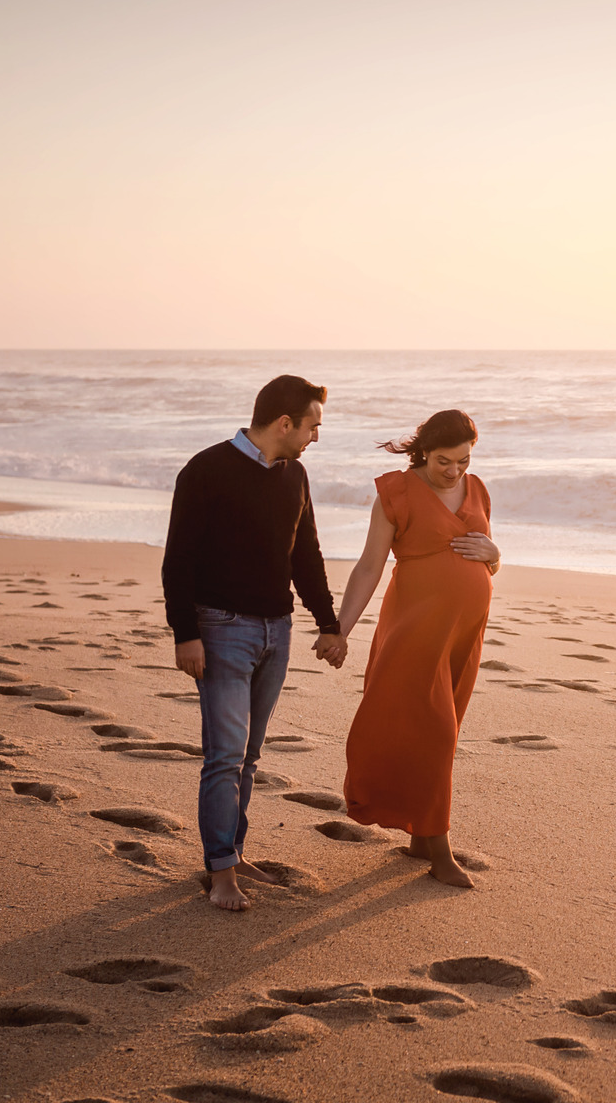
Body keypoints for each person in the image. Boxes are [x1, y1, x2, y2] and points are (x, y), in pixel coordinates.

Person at [162, 374, 348, 911]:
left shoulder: (296, 476)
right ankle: (220, 872)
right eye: (312, 426)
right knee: (224, 756)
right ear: (285, 423)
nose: (316, 436)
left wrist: (328, 623)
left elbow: (305, 555)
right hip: (220, 629)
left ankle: (234, 853)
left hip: (277, 630)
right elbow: (178, 560)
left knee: (249, 756)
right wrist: (186, 635)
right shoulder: (206, 469)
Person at [336, 409, 499, 887]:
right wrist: (340, 630)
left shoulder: (478, 489)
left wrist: (496, 557)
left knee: (442, 732)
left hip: (464, 634)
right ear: (424, 451)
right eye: (444, 461)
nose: (454, 470)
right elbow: (370, 566)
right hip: (415, 630)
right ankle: (440, 850)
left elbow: (485, 558)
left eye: (463, 461)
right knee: (435, 733)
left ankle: (419, 838)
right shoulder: (397, 493)